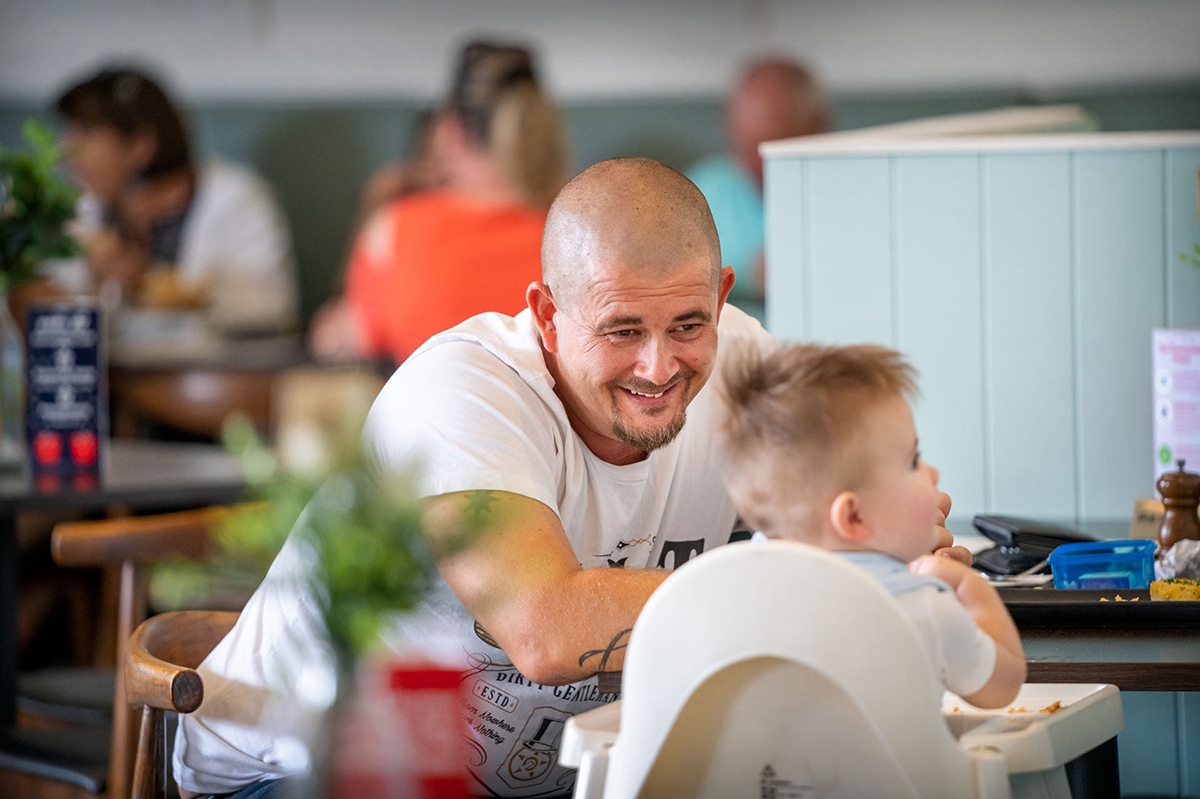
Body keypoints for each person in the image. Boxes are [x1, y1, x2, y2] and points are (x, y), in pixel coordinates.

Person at [174, 158, 971, 799]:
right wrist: (821, 579)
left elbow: (865, 518)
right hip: (290, 770)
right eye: (622, 330)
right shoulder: (461, 392)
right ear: (549, 315)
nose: (660, 366)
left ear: (722, 300)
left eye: (689, 326)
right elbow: (548, 630)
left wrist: (892, 541)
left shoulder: (746, 366)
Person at [719, 342, 1025, 708]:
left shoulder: (734, 602)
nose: (933, 473)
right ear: (854, 517)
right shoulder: (924, 610)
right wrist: (972, 588)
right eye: (913, 461)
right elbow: (1002, 687)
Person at [309, 40, 567, 365]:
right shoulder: (574, 229)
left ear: (451, 131)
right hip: (545, 415)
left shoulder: (398, 225)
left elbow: (337, 339)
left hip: (426, 412)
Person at [56, 66, 299, 332]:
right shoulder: (83, 207)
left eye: (85, 134)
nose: (67, 150)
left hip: (215, 371)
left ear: (140, 146)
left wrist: (149, 281)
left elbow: (272, 308)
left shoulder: (238, 201)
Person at [687, 57, 830, 307]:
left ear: (816, 128)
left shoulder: (852, 195)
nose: (752, 160)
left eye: (768, 144)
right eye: (742, 143)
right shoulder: (701, 191)